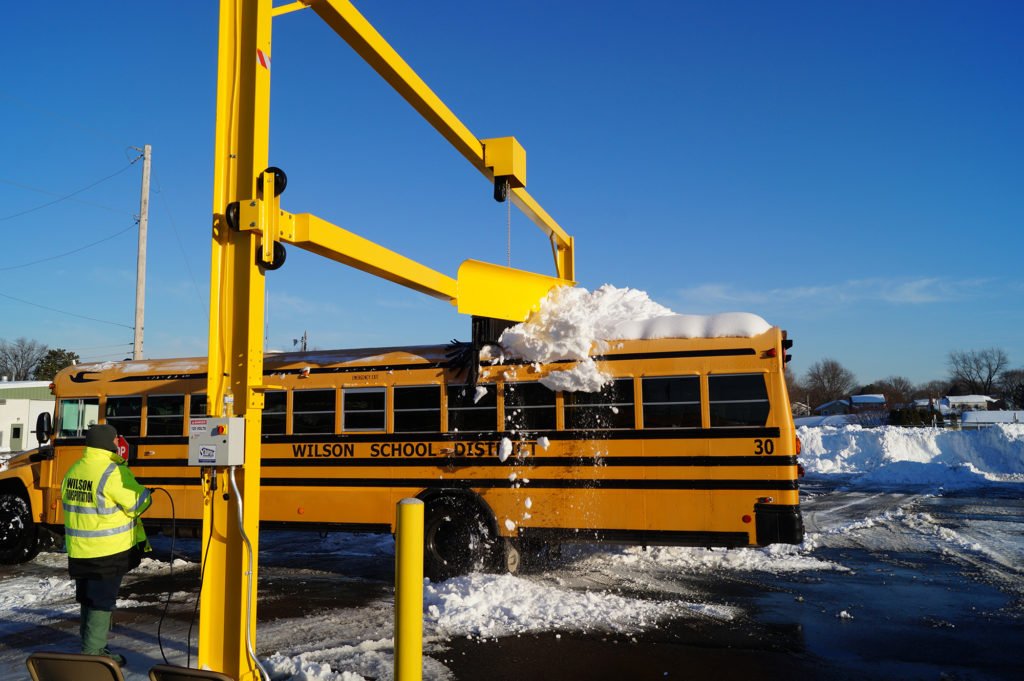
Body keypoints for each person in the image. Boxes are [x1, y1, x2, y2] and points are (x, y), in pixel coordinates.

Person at [61, 423, 152, 665]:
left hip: (80, 549)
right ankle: (94, 655)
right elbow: (137, 503)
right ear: (106, 443)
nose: (117, 445)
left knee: (89, 598)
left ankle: (91, 645)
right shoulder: (112, 472)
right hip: (107, 551)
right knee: (101, 601)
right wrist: (146, 492)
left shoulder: (74, 470)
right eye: (114, 441)